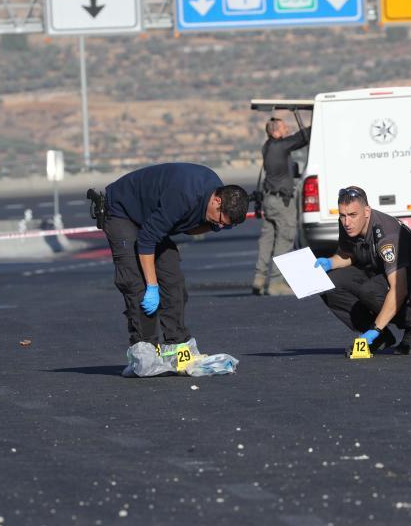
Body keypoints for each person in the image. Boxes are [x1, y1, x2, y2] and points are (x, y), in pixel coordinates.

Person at [97, 163, 248, 376]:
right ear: (217, 201)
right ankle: (145, 353)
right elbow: (147, 239)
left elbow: (189, 227)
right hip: (123, 212)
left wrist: (215, 224)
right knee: (137, 284)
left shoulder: (215, 197)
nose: (220, 226)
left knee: (172, 279)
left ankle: (177, 347)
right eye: (221, 221)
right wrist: (152, 285)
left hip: (151, 217)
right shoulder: (184, 195)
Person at [314, 186, 411, 355]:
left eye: (352, 215)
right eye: (342, 215)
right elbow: (350, 255)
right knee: (327, 282)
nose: (347, 222)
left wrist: (375, 328)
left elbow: (398, 289)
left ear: (367, 211)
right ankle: (381, 338)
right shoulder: (348, 223)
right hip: (380, 273)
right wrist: (329, 262)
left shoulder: (386, 235)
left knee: (370, 291)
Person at [253, 116, 310, 296]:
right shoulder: (281, 146)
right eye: (284, 127)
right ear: (276, 131)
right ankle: (276, 283)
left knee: (267, 239)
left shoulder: (267, 147)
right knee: (285, 239)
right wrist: (318, 121)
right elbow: (302, 138)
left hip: (269, 199)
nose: (287, 130)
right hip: (281, 202)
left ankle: (259, 278)